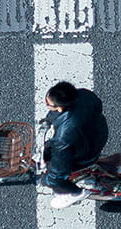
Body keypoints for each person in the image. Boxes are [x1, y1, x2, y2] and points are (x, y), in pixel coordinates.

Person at [41, 81, 109, 209]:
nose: (46, 104)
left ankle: (74, 193)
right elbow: (98, 106)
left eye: (48, 103)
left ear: (60, 108)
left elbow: (59, 171)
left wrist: (48, 179)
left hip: (87, 154)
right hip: (99, 134)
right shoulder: (85, 95)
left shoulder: (63, 136)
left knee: (54, 178)